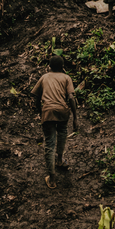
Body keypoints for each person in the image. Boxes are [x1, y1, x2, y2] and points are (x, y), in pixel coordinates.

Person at [31, 55, 78, 190]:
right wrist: (75, 118)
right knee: (62, 132)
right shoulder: (66, 78)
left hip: (48, 112)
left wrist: (40, 112)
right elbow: (71, 98)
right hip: (63, 112)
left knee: (49, 142)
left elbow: (36, 97)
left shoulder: (44, 77)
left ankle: (52, 178)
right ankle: (59, 160)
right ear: (62, 67)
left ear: (49, 67)